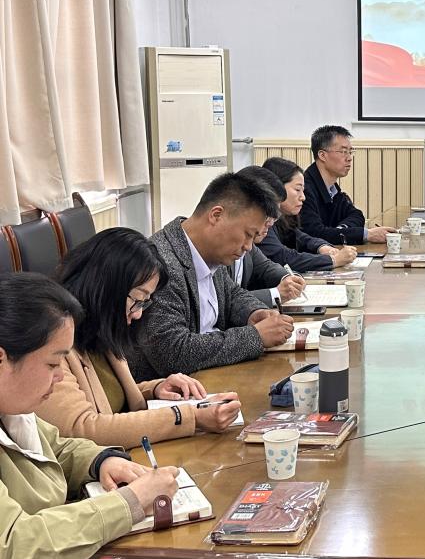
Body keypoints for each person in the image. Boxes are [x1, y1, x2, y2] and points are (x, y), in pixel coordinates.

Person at [0, 272, 180, 559]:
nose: (60, 376)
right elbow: (14, 547)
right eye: (52, 363)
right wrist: (130, 502)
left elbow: (56, 448)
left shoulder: (13, 406)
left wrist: (101, 461)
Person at [35, 228, 242, 448]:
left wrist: (155, 390)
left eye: (145, 302)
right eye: (137, 300)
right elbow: (82, 429)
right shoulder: (52, 341)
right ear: (107, 288)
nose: (138, 313)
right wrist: (189, 416)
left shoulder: (99, 329)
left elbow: (110, 398)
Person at [128, 172, 295, 381]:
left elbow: (231, 294)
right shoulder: (162, 264)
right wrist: (255, 336)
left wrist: (254, 312)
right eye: (247, 234)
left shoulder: (210, 252)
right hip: (175, 389)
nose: (248, 246)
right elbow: (171, 352)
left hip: (212, 378)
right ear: (216, 215)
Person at [299, 125, 395, 245]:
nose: (349, 158)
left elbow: (357, 215)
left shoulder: (332, 189)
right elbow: (315, 233)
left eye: (350, 152)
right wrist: (366, 235)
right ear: (322, 155)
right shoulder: (304, 189)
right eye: (343, 152)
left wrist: (340, 231)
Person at [260, 157, 358, 271]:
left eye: (303, 190)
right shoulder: (262, 219)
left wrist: (322, 247)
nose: (303, 197)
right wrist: (333, 260)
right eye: (297, 190)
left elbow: (300, 237)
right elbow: (282, 257)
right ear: (276, 188)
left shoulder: (283, 218)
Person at [234, 166, 307, 306]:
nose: (271, 222)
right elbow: (227, 300)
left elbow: (266, 267)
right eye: (268, 215)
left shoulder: (250, 244)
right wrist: (276, 293)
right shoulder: (222, 244)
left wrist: (290, 278)